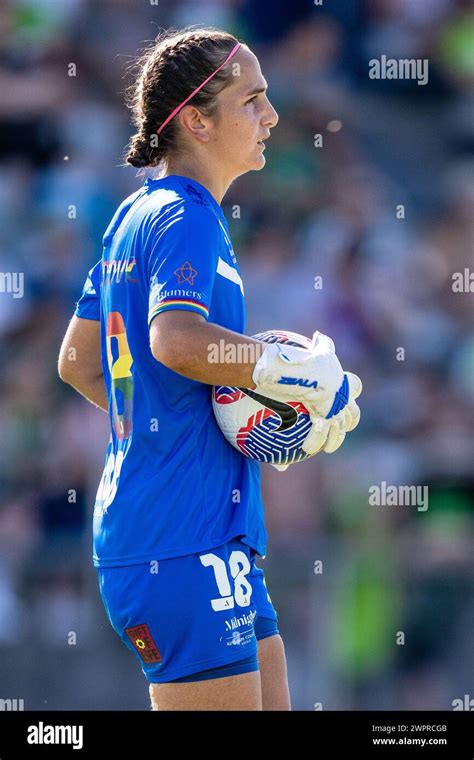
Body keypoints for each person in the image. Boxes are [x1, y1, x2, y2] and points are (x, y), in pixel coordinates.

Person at [58, 26, 361, 711]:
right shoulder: (184, 217)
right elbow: (174, 341)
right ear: (196, 119)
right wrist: (289, 372)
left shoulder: (136, 213)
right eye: (252, 101)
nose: (271, 116)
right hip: (179, 542)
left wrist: (188, 424)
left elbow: (79, 362)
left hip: (198, 539)